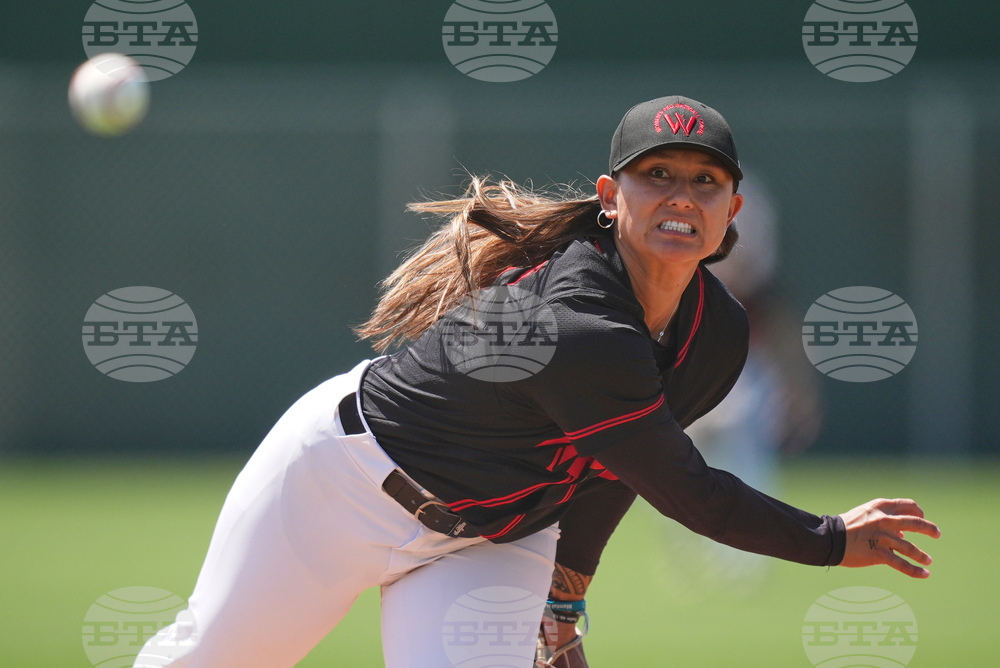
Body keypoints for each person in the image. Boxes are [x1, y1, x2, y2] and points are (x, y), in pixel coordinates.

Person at [132, 95, 940, 668]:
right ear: (610, 198)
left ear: (733, 213)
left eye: (705, 180)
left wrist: (562, 601)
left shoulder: (717, 332)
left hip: (492, 537)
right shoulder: (580, 322)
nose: (681, 195)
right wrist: (829, 542)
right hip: (342, 486)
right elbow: (687, 491)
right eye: (656, 172)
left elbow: (620, 466)